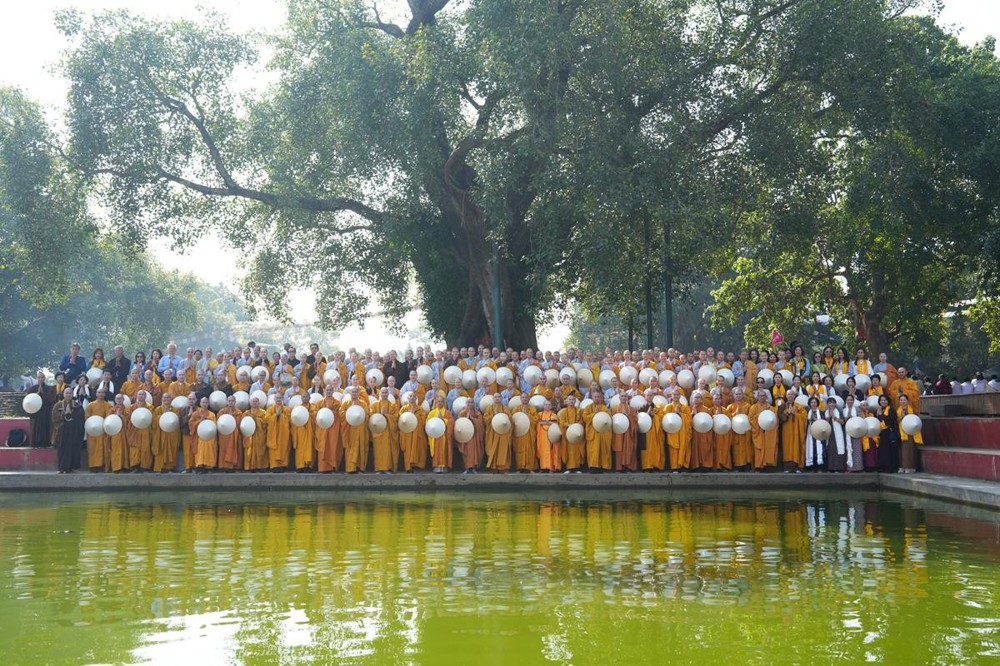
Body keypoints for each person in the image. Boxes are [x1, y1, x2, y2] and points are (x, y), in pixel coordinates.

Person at [50, 388, 84, 473]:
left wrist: (72, 414)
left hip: (74, 431)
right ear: (63, 394)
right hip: (62, 431)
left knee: (73, 449)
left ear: (72, 394)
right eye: (67, 393)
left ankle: (71, 468)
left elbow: (81, 418)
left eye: (70, 393)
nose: (68, 395)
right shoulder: (57, 405)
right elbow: (54, 418)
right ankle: (62, 468)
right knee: (62, 449)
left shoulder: (77, 405)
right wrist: (64, 414)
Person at [85, 388, 112, 472]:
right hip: (93, 430)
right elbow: (87, 417)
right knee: (92, 447)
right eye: (99, 392)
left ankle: (102, 465)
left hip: (103, 429)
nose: (101, 394)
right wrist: (93, 424)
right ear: (96, 394)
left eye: (103, 392)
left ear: (105, 394)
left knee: (103, 447)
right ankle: (93, 465)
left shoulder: (108, 405)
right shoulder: (90, 405)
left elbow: (109, 417)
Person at [27, 371, 55, 447]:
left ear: (44, 378)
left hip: (45, 411)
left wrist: (43, 393)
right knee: (35, 426)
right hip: (35, 411)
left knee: (45, 426)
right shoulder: (33, 388)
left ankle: (45, 443)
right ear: (37, 378)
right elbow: (28, 399)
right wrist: (36, 394)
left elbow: (51, 399)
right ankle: (35, 443)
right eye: (39, 377)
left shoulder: (49, 388)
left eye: (42, 377)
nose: (40, 379)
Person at [897, 394, 921, 473]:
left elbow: (915, 419)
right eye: (901, 400)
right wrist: (901, 417)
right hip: (900, 431)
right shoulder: (897, 410)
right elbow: (895, 421)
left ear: (907, 401)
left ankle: (910, 467)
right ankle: (902, 466)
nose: (903, 401)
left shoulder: (912, 409)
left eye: (904, 400)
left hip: (910, 432)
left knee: (909, 450)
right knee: (901, 450)